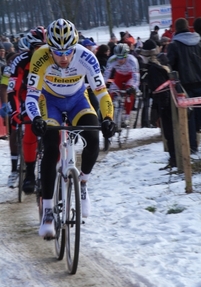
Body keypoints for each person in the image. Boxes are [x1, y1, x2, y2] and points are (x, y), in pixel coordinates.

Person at [25, 18, 115, 238]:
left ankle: (82, 182)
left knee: (93, 136)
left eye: (68, 52)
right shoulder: (40, 56)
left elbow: (102, 94)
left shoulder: (87, 57)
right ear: (49, 47)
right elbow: (32, 95)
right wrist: (36, 118)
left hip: (77, 100)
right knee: (51, 147)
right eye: (58, 52)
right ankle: (47, 210)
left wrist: (108, 118)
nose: (64, 58)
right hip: (50, 101)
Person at [6, 27, 46, 190]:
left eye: (44, 48)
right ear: (29, 48)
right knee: (30, 129)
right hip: (26, 97)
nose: (41, 52)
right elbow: (12, 90)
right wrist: (15, 111)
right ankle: (29, 173)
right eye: (37, 48)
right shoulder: (20, 61)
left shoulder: (54, 58)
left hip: (47, 97)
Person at [167, 18, 201, 154]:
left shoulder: (174, 45)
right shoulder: (199, 42)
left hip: (185, 86)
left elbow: (170, 66)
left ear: (176, 29)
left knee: (189, 117)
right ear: (188, 27)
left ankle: (192, 147)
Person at [141, 39, 176, 168]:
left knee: (169, 132)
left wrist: (160, 109)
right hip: (170, 100)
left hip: (165, 103)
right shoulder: (163, 61)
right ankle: (174, 158)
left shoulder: (154, 69)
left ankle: (174, 159)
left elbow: (161, 90)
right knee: (171, 132)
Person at [103, 43, 140, 125]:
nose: (120, 60)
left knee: (129, 94)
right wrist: (102, 85)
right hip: (118, 76)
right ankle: (110, 114)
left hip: (129, 77)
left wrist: (133, 87)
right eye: (118, 57)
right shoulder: (112, 60)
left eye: (122, 57)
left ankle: (127, 116)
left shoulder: (132, 61)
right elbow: (106, 74)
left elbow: (136, 78)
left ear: (126, 55)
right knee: (111, 94)